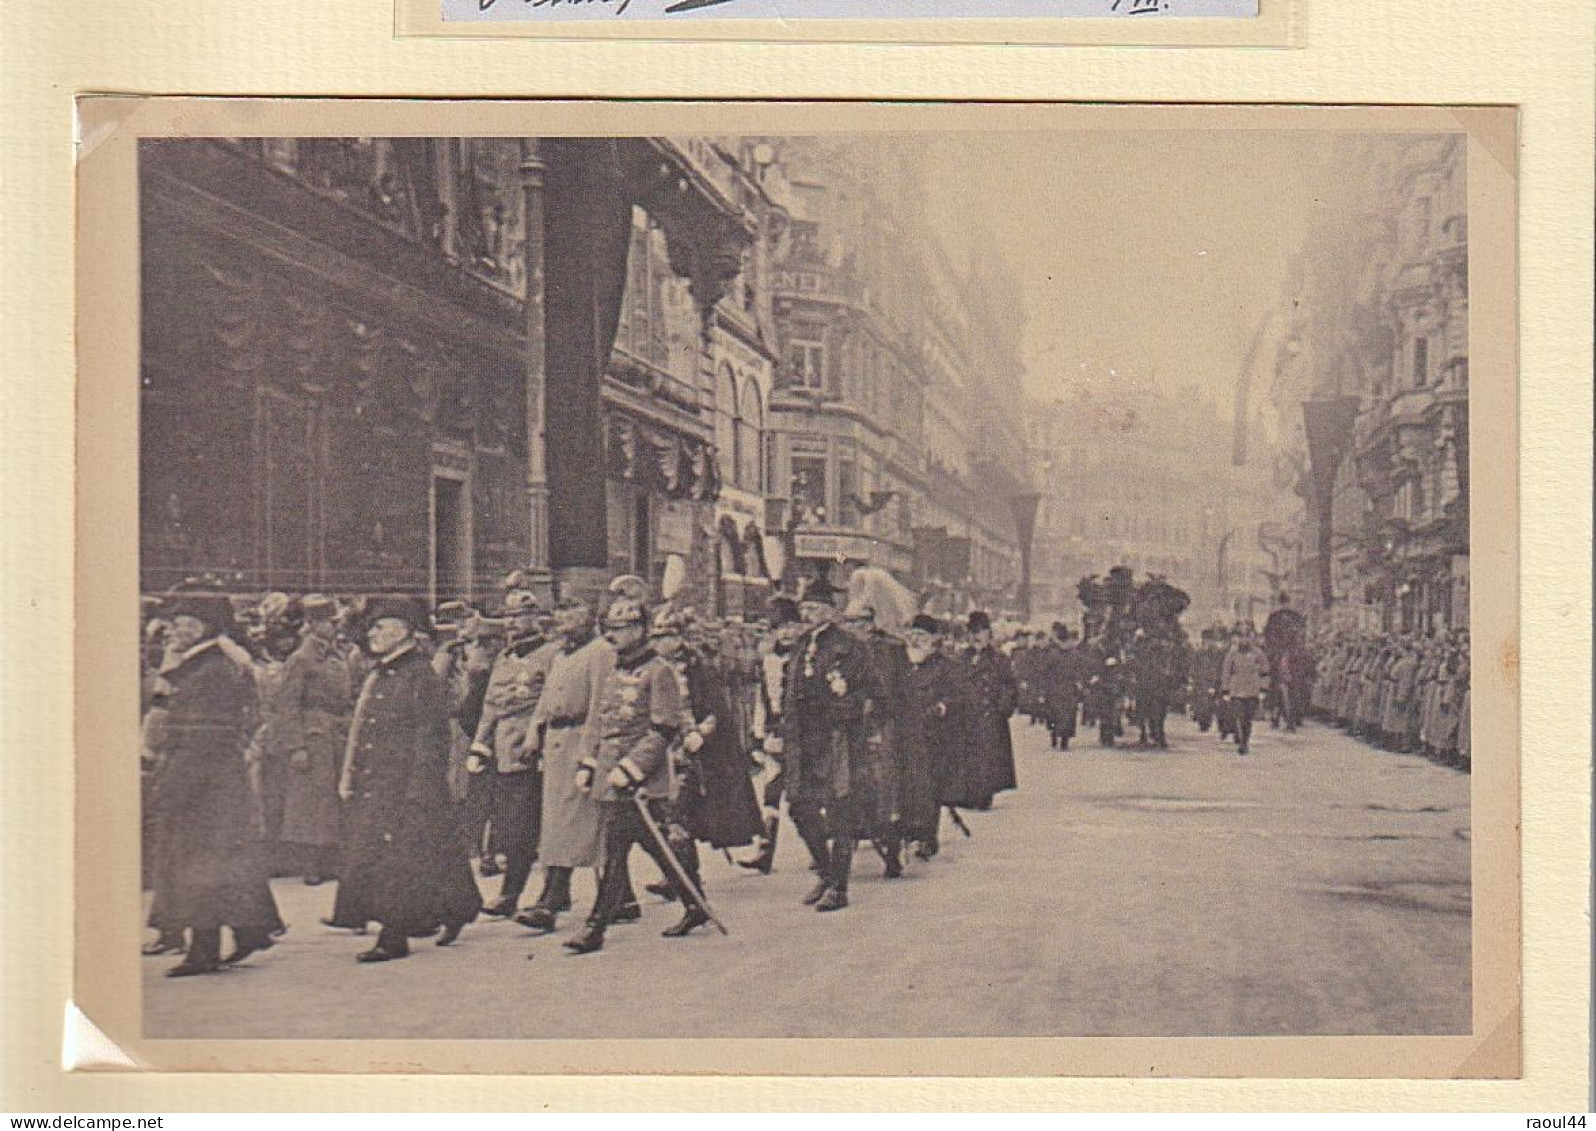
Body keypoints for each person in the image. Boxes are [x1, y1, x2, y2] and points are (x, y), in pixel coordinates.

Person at [144, 584, 284, 977]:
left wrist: (171, 787)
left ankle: (204, 951)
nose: (174, 628)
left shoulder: (209, 671)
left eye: (183, 621)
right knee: (223, 865)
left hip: (203, 786)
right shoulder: (204, 665)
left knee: (201, 867)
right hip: (214, 784)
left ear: (204, 626)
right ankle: (248, 932)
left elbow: (202, 738)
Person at [563, 596, 704, 954]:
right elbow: (598, 721)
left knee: (620, 851)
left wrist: (633, 768)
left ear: (641, 630)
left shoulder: (659, 672)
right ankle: (693, 902)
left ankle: (596, 927)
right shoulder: (613, 670)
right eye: (611, 628)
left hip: (641, 780)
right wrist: (587, 762)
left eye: (623, 628)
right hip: (611, 777)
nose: (614, 636)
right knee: (653, 846)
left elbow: (664, 727)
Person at [339, 595, 477, 961]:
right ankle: (458, 907)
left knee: (398, 859)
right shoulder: (384, 671)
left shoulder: (419, 674)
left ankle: (393, 935)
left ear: (403, 632)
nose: (373, 634)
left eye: (382, 627)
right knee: (435, 848)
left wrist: (420, 786)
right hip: (380, 781)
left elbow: (430, 735)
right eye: (372, 627)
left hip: (406, 784)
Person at [781, 573, 887, 912]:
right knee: (798, 806)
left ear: (830, 609)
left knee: (841, 812)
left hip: (838, 739)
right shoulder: (801, 645)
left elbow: (874, 696)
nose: (808, 614)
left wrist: (845, 713)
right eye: (805, 608)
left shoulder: (851, 647)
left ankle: (839, 887)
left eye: (815, 607)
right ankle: (825, 872)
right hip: (804, 741)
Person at [516, 596, 621, 934]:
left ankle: (553, 897)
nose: (563, 622)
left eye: (571, 615)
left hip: (580, 740)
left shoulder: (600, 652)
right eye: (560, 616)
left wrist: (589, 753)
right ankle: (624, 897)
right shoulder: (561, 654)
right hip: (556, 744)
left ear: (588, 617)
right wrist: (534, 731)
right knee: (561, 822)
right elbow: (547, 699)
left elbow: (599, 705)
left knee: (573, 822)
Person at [468, 588, 558, 917]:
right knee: (512, 825)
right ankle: (520, 893)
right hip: (505, 753)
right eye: (508, 617)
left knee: (534, 827)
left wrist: (537, 736)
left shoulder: (551, 654)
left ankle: (516, 894)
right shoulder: (505, 658)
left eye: (520, 616)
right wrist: (480, 744)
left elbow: (550, 701)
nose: (513, 623)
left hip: (538, 752)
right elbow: (491, 705)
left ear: (536, 618)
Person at [276, 594, 352, 887]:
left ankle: (331, 860)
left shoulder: (336, 655)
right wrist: (296, 745)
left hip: (336, 731)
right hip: (313, 734)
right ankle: (310, 864)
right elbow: (288, 704)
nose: (336, 627)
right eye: (330, 623)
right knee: (312, 801)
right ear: (312, 624)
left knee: (334, 797)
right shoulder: (301, 659)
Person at [738, 597, 804, 874]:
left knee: (807, 797)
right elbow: (763, 700)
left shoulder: (806, 657)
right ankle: (766, 849)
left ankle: (822, 846)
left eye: (791, 626)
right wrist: (757, 733)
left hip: (805, 735)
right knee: (771, 792)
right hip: (777, 733)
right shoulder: (769, 661)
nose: (786, 633)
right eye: (780, 628)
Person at [902, 614, 975, 859]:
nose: (915, 640)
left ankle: (926, 837)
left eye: (921, 636)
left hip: (936, 736)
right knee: (907, 785)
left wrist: (942, 707)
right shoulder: (902, 662)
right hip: (905, 734)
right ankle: (909, 833)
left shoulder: (947, 666)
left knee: (929, 789)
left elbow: (960, 696)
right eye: (912, 635)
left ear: (934, 639)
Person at [964, 611, 1018, 804]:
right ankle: (970, 792)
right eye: (972, 632)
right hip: (966, 716)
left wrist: (1003, 706)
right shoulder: (960, 658)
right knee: (967, 755)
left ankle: (984, 794)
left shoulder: (999, 659)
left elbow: (1010, 685)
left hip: (990, 716)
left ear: (989, 634)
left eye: (981, 631)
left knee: (988, 757)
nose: (976, 636)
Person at [1219, 627, 1269, 756]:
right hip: (1236, 690)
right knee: (1238, 716)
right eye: (1242, 637)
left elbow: (1265, 672)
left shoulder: (1258, 653)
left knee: (1248, 719)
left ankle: (1245, 741)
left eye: (1247, 637)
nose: (1245, 640)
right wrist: (1225, 689)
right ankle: (1240, 740)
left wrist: (1263, 688)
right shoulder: (1232, 653)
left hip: (1252, 690)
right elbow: (1226, 672)